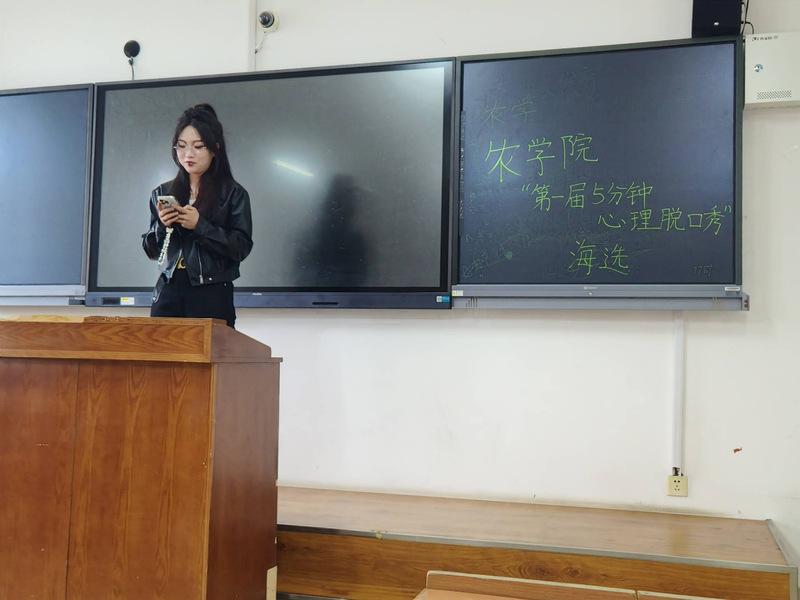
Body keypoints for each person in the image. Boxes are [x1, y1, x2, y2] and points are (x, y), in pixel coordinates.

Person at [142, 103, 252, 328]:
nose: (188, 154)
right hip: (168, 292)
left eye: (198, 146)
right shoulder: (162, 192)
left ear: (215, 148)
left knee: (208, 351)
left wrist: (200, 226)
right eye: (181, 146)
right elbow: (152, 252)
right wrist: (162, 226)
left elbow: (240, 247)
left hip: (211, 294)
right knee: (160, 350)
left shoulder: (233, 193)